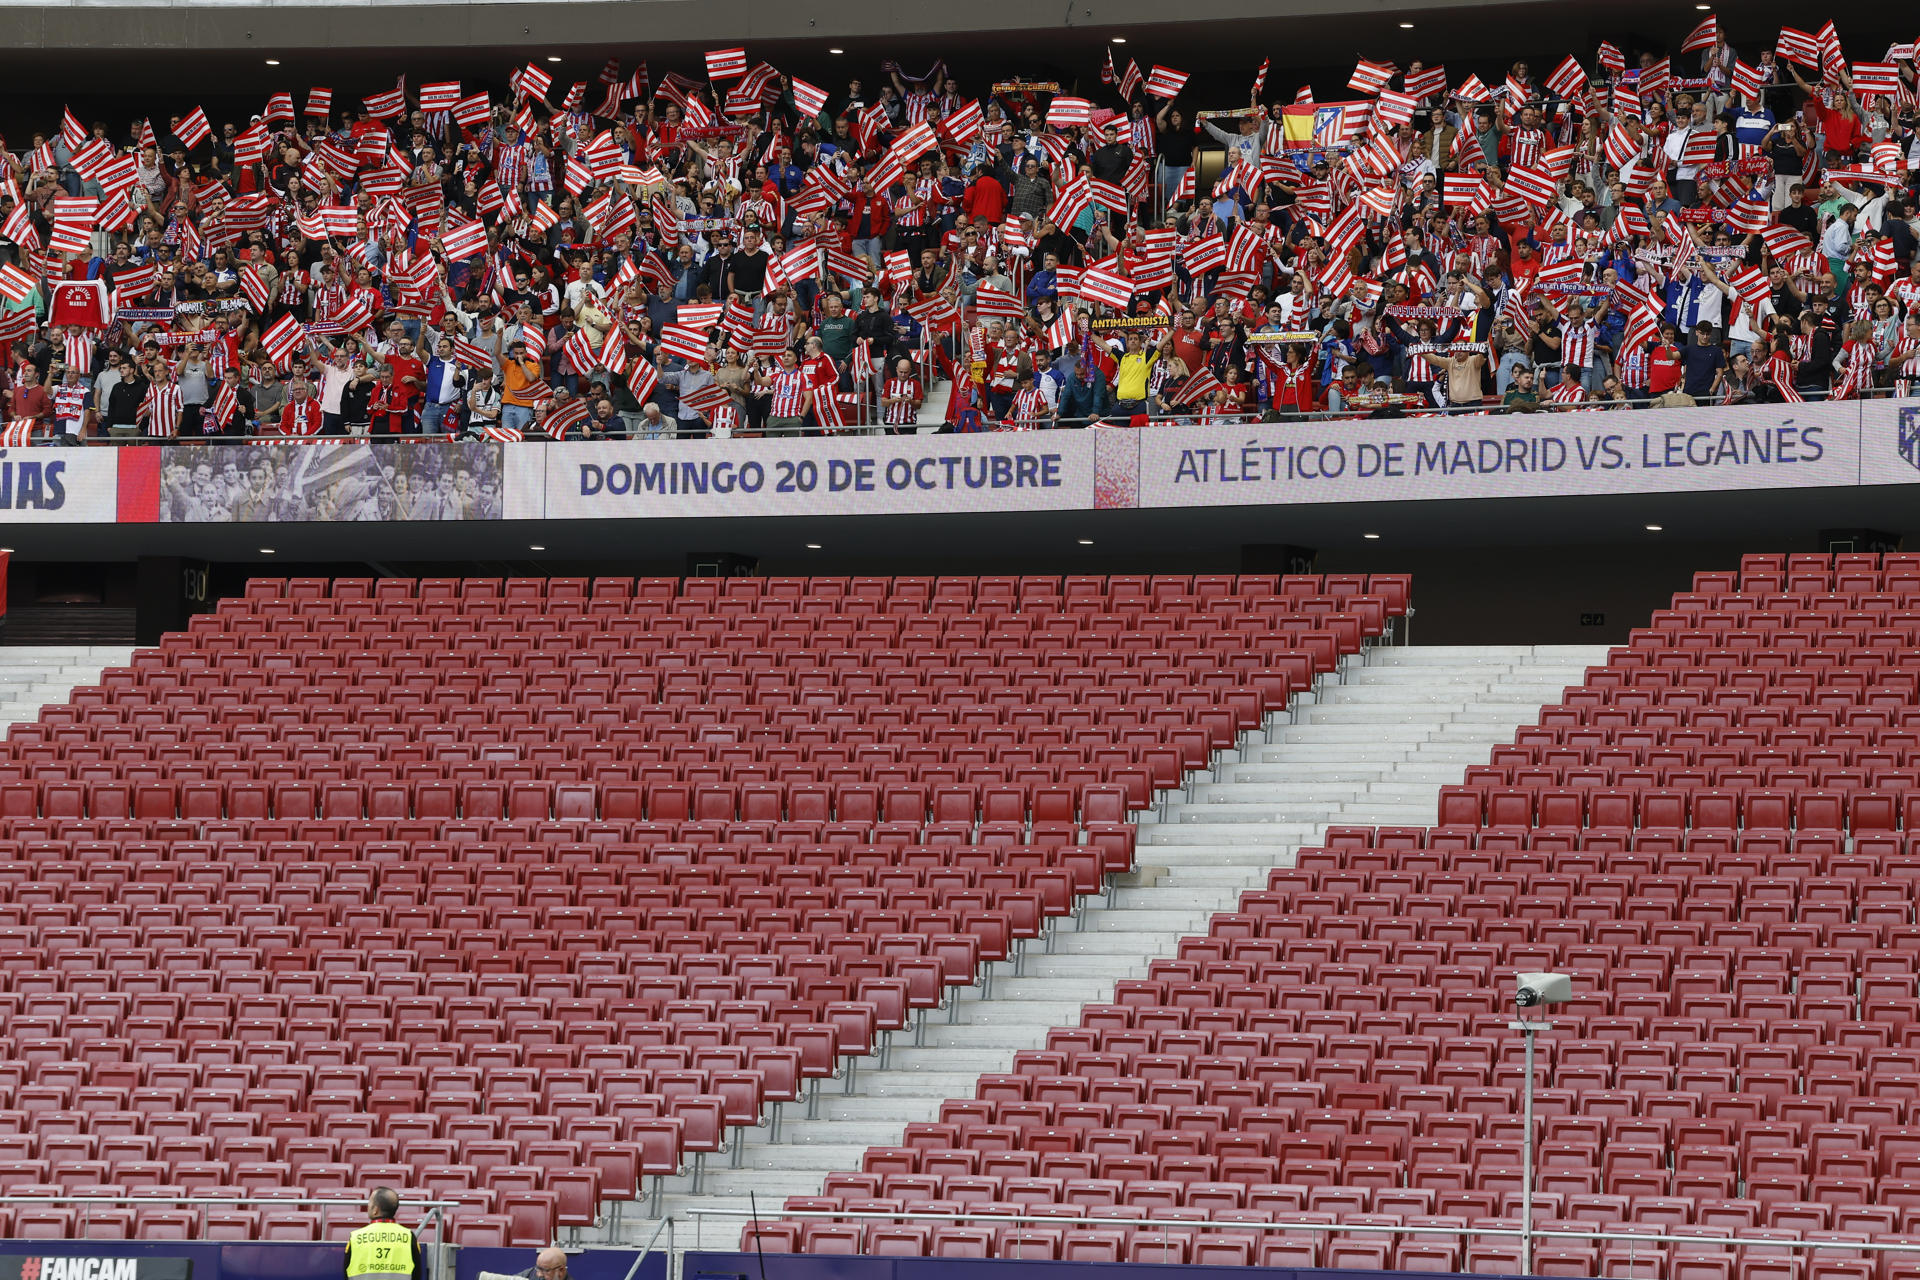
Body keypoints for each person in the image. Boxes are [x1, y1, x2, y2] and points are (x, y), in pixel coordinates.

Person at [344, 1188, 421, 1280]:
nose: (367, 1206)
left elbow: (346, 1272)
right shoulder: (408, 1236)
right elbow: (417, 1274)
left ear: (375, 1210)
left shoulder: (356, 1237)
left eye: (369, 1202)